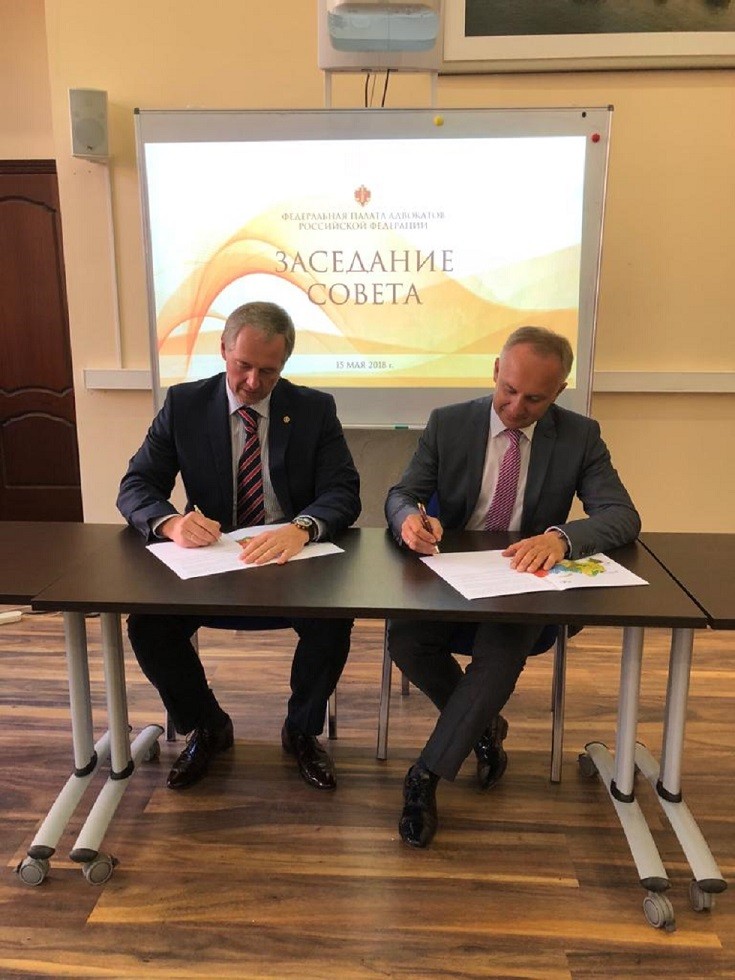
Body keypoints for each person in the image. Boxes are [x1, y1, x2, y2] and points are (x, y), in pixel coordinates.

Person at [384, 325, 640, 847]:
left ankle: (425, 776)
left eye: (535, 399)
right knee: (406, 640)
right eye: (509, 390)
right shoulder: (449, 422)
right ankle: (483, 728)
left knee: (498, 655)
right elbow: (403, 493)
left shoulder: (580, 435)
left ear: (559, 392)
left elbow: (621, 515)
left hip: (525, 580)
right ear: (496, 371)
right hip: (451, 573)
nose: (516, 407)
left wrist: (562, 538)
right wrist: (408, 518)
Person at [118, 301, 361, 792]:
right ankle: (208, 725)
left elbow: (343, 491)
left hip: (290, 560)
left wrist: (302, 527)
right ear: (223, 349)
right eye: (243, 365)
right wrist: (171, 523)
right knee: (148, 626)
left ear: (284, 364)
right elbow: (137, 484)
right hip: (211, 560)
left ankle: (301, 730)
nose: (253, 382)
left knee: (333, 621)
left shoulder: (314, 409)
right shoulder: (185, 405)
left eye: (268, 371)